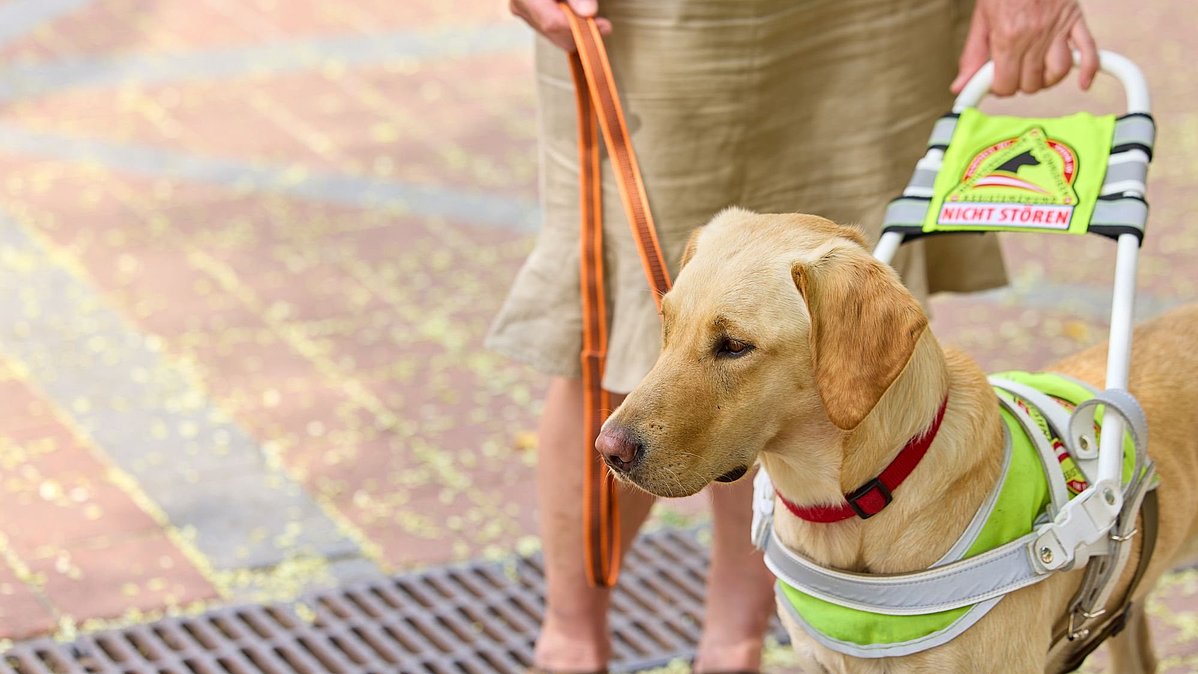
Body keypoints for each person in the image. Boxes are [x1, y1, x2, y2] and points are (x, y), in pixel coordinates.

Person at [489, 1, 1099, 671]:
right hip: (648, 20)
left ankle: (735, 649)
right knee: (609, 326)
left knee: (820, 368)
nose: (617, 435)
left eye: (730, 347)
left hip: (874, 21)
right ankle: (569, 649)